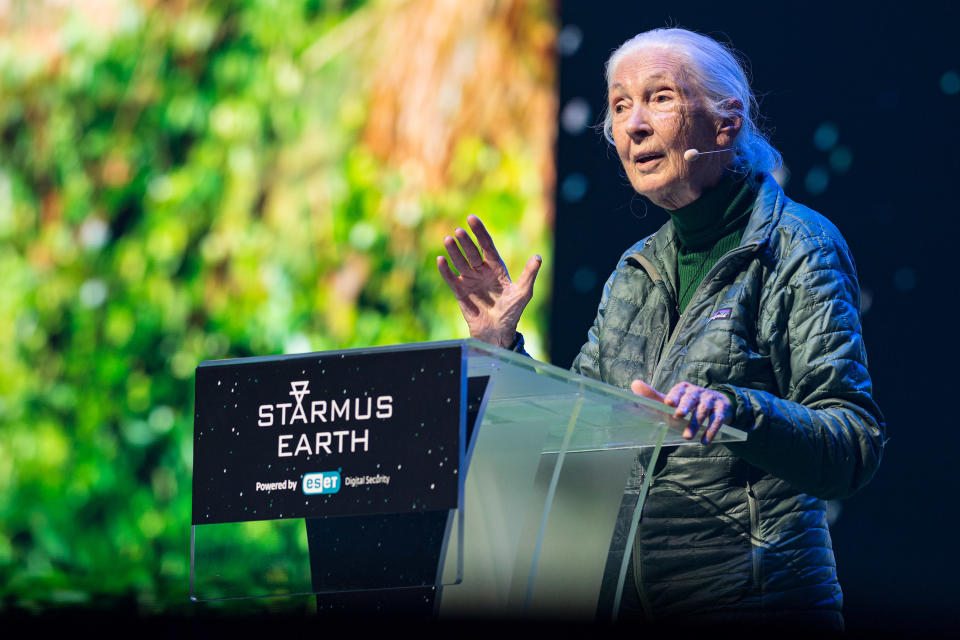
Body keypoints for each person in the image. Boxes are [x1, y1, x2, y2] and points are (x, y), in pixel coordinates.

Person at [437, 27, 884, 628]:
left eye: (660, 98)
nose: (633, 125)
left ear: (727, 123)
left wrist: (736, 411)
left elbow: (853, 443)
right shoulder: (633, 271)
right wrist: (501, 350)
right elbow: (576, 433)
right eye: (620, 106)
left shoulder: (797, 247)